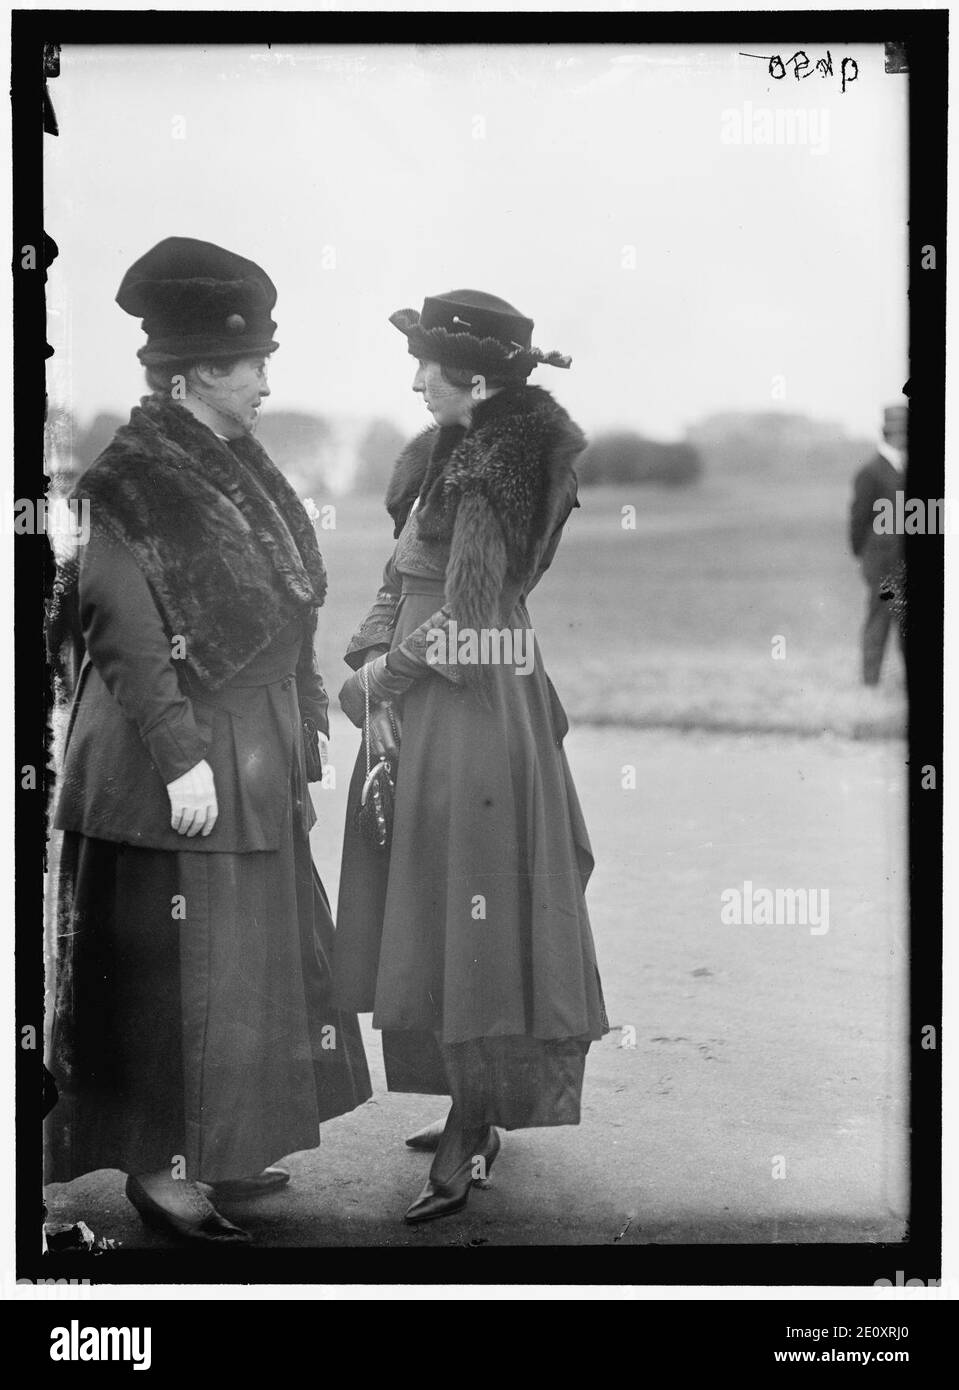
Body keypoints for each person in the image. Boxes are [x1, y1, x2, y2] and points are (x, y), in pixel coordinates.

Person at [45, 237, 371, 1245]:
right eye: (253, 366)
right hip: (165, 759)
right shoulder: (131, 479)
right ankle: (159, 1169)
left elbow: (291, 612)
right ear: (196, 375)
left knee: (245, 963)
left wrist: (299, 719)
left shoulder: (236, 466)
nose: (267, 383)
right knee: (170, 969)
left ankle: (222, 1147)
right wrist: (184, 757)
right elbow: (127, 636)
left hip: (251, 745)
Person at [332, 289, 608, 1224]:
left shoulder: (501, 466)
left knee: (476, 909)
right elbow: (398, 573)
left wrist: (387, 681)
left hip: (476, 703)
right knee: (437, 901)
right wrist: (368, 660)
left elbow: (479, 617)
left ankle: (474, 1116)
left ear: (478, 381)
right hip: (421, 691)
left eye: (427, 368)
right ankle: (468, 1101)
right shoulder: (447, 452)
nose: (414, 381)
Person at [849, 403, 908, 685]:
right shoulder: (870, 472)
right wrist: (866, 557)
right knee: (880, 621)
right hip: (883, 565)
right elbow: (858, 521)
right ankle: (869, 685)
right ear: (890, 434)